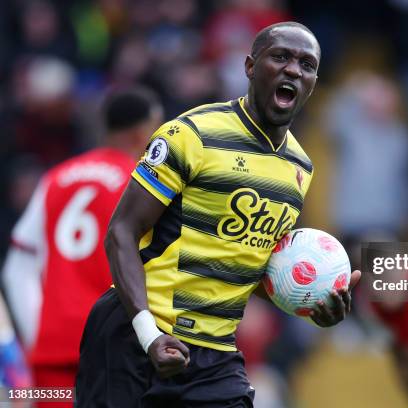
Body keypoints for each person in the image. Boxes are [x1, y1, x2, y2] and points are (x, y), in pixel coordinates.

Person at [76, 21, 360, 407]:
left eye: (307, 64)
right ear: (249, 67)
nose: (294, 69)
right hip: (136, 335)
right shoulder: (192, 134)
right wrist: (149, 335)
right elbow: (121, 232)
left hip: (214, 353)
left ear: (312, 82)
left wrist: (311, 305)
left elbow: (249, 265)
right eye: (280, 57)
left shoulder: (300, 168)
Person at [1, 87, 163, 402]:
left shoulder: (55, 179)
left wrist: (39, 332)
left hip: (53, 355)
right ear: (144, 130)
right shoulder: (144, 186)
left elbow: (16, 266)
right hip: (114, 350)